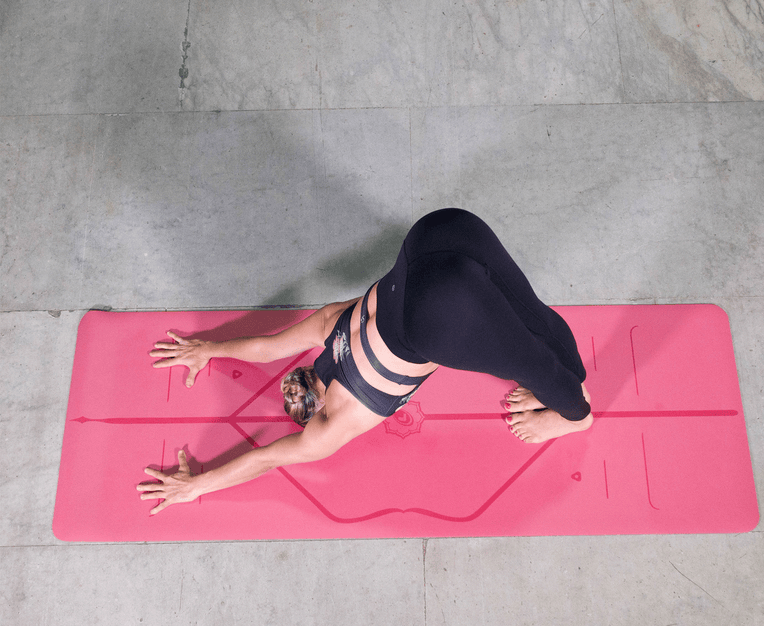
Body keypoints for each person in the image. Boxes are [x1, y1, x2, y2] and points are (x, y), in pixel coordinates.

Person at [138, 208, 592, 515]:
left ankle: (575, 417)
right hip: (436, 237)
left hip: (437, 316)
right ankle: (561, 377)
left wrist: (195, 485)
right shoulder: (327, 326)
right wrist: (209, 350)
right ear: (308, 369)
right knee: (534, 318)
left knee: (543, 373)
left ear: (315, 410)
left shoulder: (334, 421)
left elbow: (265, 459)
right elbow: (269, 345)